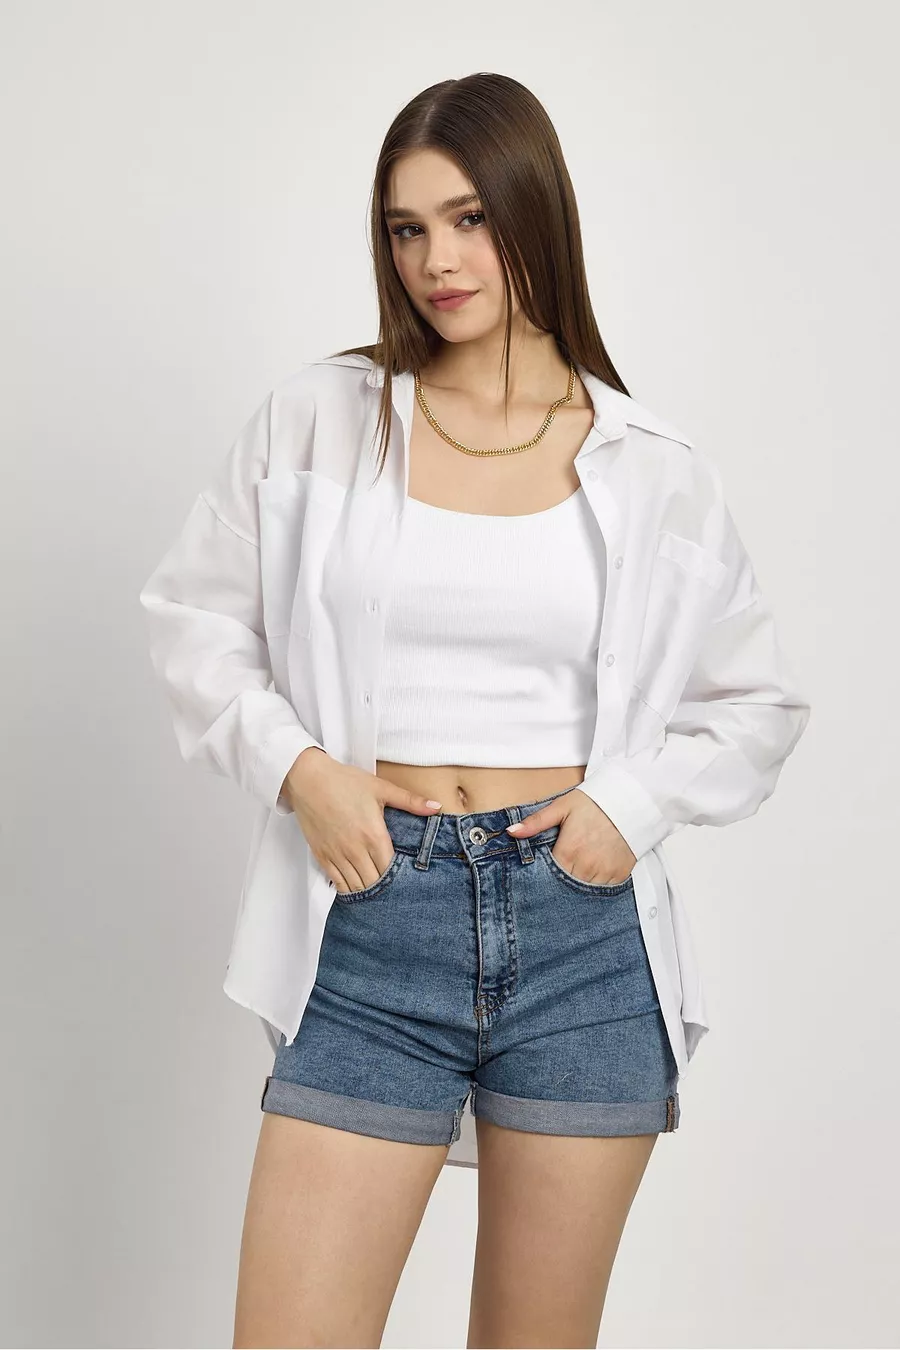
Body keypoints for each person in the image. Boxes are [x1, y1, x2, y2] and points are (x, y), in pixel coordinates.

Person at [139, 73, 810, 1349]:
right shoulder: (321, 420)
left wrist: (631, 804)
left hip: (582, 939)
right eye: (406, 229)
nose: (436, 262)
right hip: (370, 919)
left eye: (468, 220)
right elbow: (194, 622)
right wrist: (303, 771)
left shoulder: (652, 467)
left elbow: (756, 702)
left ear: (534, 212)